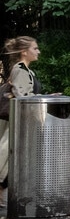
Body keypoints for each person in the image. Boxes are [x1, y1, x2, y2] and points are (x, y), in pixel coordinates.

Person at [0, 36, 43, 194]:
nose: (38, 51)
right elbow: (23, 96)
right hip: (15, 122)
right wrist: (42, 99)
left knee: (10, 159)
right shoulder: (21, 70)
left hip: (19, 121)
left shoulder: (26, 70)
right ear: (24, 52)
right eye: (35, 48)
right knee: (8, 158)